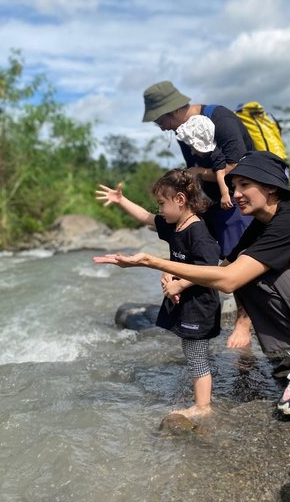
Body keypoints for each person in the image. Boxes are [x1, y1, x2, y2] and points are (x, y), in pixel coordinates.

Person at [94, 151, 290, 415]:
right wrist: (179, 277)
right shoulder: (262, 224)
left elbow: (229, 280)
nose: (236, 194)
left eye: (244, 185)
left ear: (270, 186)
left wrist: (151, 262)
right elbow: (224, 266)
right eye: (234, 187)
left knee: (253, 272)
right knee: (245, 266)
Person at [95, 169, 221, 419]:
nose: (160, 210)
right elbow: (145, 217)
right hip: (186, 302)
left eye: (162, 203)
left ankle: (203, 407)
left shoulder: (197, 230)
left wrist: (179, 284)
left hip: (199, 303)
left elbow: (208, 268)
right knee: (191, 350)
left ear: (180, 200)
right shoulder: (175, 224)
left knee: (196, 356)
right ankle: (200, 396)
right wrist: (121, 200)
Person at [142, 80, 253, 258]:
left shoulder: (221, 119)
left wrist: (199, 174)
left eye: (160, 121)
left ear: (172, 111)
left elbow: (235, 167)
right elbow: (192, 168)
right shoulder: (183, 133)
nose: (162, 128)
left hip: (237, 203)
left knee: (238, 258)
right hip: (214, 204)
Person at [175, 114, 233, 211]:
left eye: (193, 147)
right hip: (210, 196)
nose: (192, 152)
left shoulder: (216, 155)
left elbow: (220, 175)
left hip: (223, 198)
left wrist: (225, 195)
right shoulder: (198, 155)